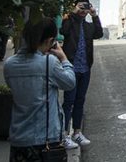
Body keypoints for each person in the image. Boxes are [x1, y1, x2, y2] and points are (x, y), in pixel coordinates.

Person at [4, 18, 75, 162]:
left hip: (19, 138)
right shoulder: (48, 63)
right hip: (46, 140)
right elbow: (70, 82)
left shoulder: (9, 65)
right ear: (50, 41)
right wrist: (63, 58)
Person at [60, 0, 103, 149]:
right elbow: (63, 31)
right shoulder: (70, 21)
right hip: (71, 68)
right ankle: (64, 134)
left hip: (85, 68)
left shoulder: (88, 26)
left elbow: (99, 33)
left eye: (86, 7)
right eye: (81, 7)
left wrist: (94, 15)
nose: (84, 10)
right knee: (69, 102)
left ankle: (77, 133)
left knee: (80, 101)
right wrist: (73, 13)